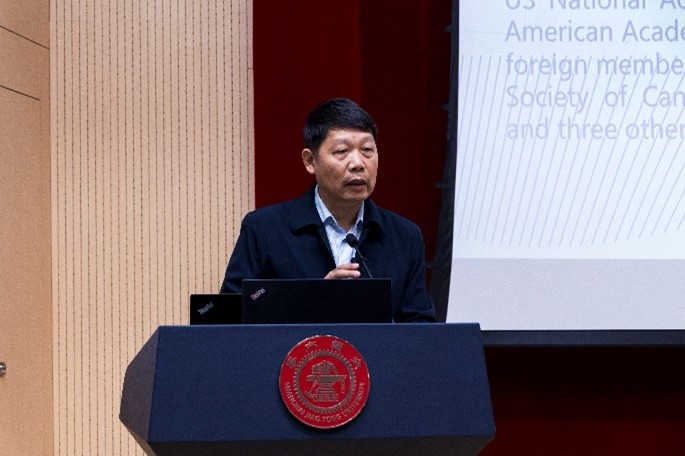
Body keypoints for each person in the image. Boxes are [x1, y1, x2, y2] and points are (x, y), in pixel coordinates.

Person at [220, 97, 436, 322]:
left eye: (367, 150)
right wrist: (314, 303)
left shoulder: (404, 237)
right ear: (310, 161)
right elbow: (231, 318)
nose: (358, 163)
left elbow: (421, 326)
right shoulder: (265, 230)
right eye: (342, 151)